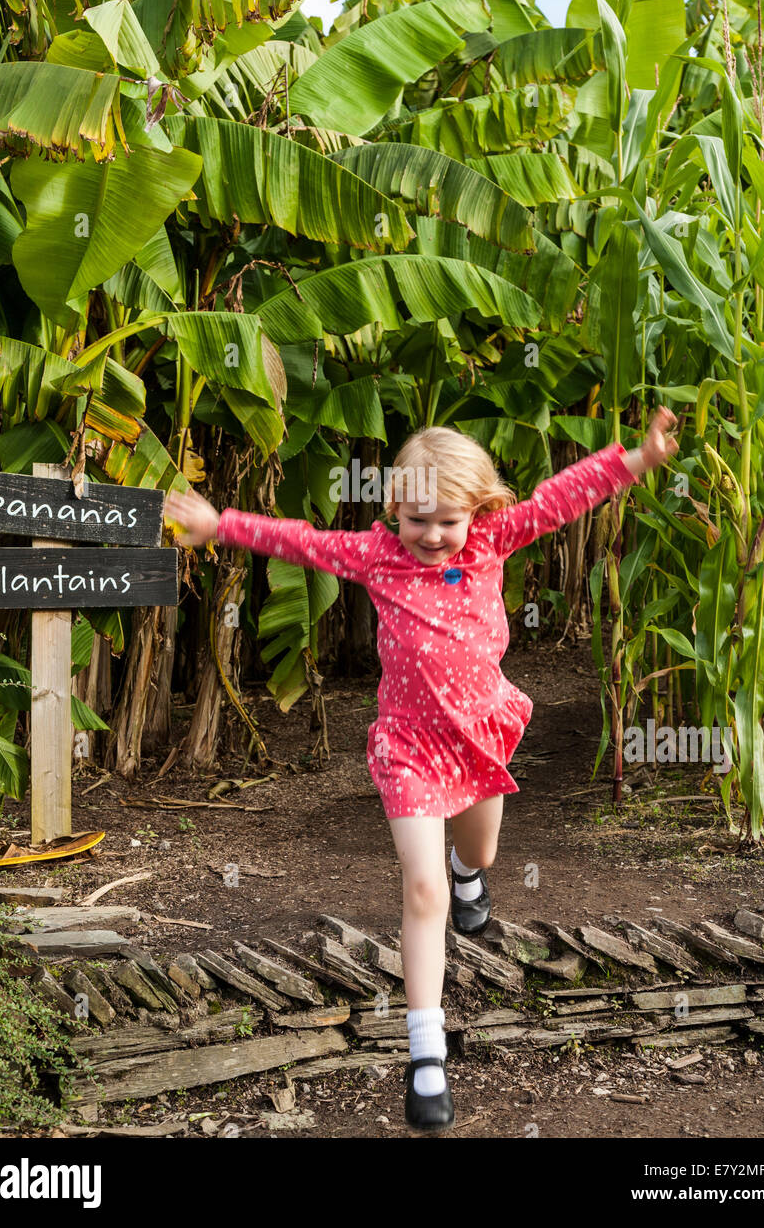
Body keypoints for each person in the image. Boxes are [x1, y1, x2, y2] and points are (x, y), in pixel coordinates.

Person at [164, 408, 679, 1132]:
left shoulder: (497, 539)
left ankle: (471, 875)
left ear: (477, 512)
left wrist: (636, 461)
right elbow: (303, 541)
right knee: (422, 885)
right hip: (408, 746)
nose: (432, 536)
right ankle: (426, 1053)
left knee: (479, 854)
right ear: (394, 513)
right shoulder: (378, 557)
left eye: (447, 521)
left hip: (480, 734)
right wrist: (225, 525)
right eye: (417, 521)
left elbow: (562, 497)